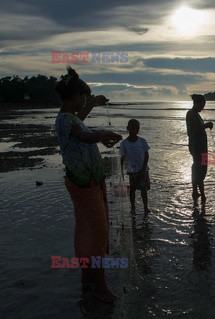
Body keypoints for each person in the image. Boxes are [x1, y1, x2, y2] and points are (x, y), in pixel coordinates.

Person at [54, 66, 122, 303]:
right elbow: (83, 135)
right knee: (99, 233)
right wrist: (102, 134)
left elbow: (80, 126)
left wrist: (92, 105)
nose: (84, 102)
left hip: (89, 181)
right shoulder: (64, 119)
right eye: (82, 98)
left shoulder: (70, 118)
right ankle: (100, 287)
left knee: (85, 229)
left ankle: (87, 279)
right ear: (72, 97)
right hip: (84, 185)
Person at [120, 119, 151, 215]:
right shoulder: (124, 143)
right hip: (132, 171)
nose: (135, 130)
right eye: (132, 128)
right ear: (128, 129)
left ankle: (146, 207)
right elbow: (122, 158)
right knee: (132, 190)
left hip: (143, 170)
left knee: (143, 190)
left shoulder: (142, 141)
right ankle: (133, 207)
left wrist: (143, 168)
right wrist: (123, 171)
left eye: (137, 128)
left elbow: (146, 155)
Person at [186, 94, 213, 203]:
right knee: (199, 168)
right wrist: (206, 125)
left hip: (201, 145)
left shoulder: (196, 114)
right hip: (196, 145)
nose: (203, 107)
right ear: (197, 103)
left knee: (199, 167)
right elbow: (196, 128)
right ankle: (201, 193)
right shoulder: (190, 114)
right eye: (202, 105)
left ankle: (196, 191)